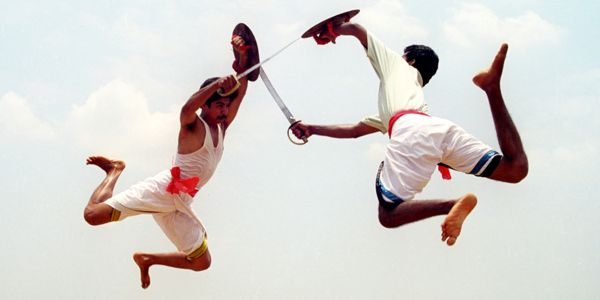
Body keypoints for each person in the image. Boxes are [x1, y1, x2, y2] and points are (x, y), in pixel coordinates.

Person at [292, 22, 528, 246]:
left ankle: (452, 204)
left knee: (388, 215)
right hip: (437, 129)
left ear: (411, 61)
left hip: (411, 133)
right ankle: (491, 88)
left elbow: (357, 29)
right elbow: (354, 131)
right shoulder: (408, 99)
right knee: (515, 169)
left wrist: (334, 29)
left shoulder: (398, 66)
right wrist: (312, 129)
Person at [82, 35, 251, 288]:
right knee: (92, 216)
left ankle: (147, 258)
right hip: (162, 190)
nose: (225, 110)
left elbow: (243, 84)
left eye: (226, 106)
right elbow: (186, 108)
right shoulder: (193, 125)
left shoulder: (222, 127)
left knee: (202, 262)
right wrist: (214, 87)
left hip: (180, 203)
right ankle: (114, 170)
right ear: (206, 105)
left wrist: (241, 59)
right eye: (219, 105)